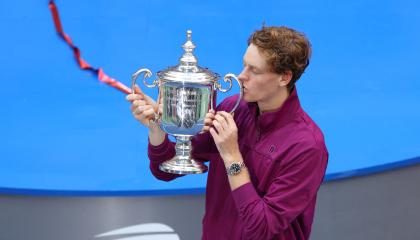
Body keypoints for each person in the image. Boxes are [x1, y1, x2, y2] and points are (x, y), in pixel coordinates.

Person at [127, 26, 328, 240]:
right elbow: (165, 171)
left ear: (284, 77)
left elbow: (262, 228)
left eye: (255, 70)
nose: (242, 76)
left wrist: (231, 155)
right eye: (244, 65)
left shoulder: (307, 146)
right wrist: (158, 127)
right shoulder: (232, 108)